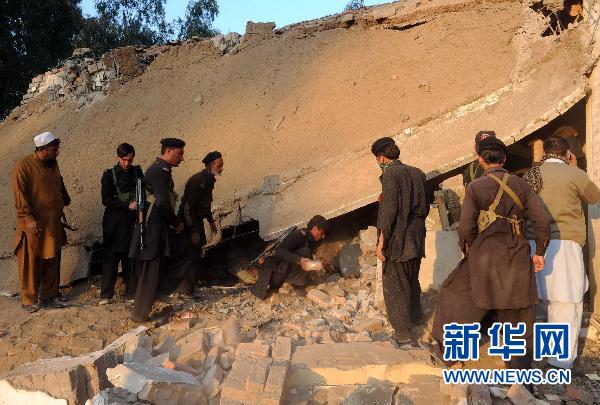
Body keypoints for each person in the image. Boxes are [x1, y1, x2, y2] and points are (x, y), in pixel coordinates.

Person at [430, 135, 550, 370]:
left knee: (457, 297)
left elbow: (465, 228)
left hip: (482, 255)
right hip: (516, 255)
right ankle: (521, 373)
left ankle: (447, 353)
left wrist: (470, 247)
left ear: (481, 161)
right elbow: (541, 221)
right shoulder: (522, 185)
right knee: (518, 315)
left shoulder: (475, 187)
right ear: (504, 159)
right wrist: (540, 252)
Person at [524, 135, 600, 369]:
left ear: (545, 152)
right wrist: (576, 168)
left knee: (544, 301)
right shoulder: (574, 174)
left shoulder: (530, 175)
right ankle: (559, 360)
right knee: (566, 303)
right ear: (567, 154)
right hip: (564, 244)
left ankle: (543, 352)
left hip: (535, 244)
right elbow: (595, 197)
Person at [371, 137, 429, 344]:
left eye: (378, 159)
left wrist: (381, 242)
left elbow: (389, 211)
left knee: (395, 286)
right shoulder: (418, 173)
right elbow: (425, 207)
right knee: (412, 278)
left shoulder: (390, 175)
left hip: (400, 237)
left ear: (381, 157)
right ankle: (416, 317)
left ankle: (403, 335)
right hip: (417, 235)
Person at [129, 138, 194, 322]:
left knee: (159, 266)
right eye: (179, 154)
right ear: (169, 150)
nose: (182, 158)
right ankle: (139, 314)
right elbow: (163, 202)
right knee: (150, 270)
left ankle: (155, 298)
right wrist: (176, 223)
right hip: (154, 228)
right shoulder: (161, 171)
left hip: (156, 226)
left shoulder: (160, 168)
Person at [11, 132, 69, 312]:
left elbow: (58, 184)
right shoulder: (23, 166)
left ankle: (48, 297)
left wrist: (63, 200)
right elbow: (20, 196)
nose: (57, 152)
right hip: (33, 225)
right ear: (42, 149)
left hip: (52, 223)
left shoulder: (53, 163)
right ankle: (29, 300)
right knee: (31, 263)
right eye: (54, 149)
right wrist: (28, 219)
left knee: (51, 261)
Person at [99, 143, 143, 305]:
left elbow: (142, 191)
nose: (127, 163)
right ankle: (105, 295)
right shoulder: (109, 176)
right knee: (111, 259)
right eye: (124, 160)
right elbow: (106, 200)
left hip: (131, 223)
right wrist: (127, 205)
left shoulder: (137, 172)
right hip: (113, 224)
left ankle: (131, 293)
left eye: (129, 160)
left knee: (130, 258)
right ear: (119, 158)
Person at [177, 151, 224, 294]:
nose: (222, 167)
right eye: (219, 164)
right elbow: (187, 208)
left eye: (222, 164)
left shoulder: (210, 180)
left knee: (197, 254)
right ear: (210, 165)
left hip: (197, 221)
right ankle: (185, 290)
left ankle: (191, 288)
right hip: (188, 222)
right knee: (190, 256)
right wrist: (193, 230)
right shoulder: (198, 180)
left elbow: (205, 204)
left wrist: (211, 221)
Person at [251, 215, 329, 299]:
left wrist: (318, 263)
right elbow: (279, 251)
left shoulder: (309, 240)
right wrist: (300, 259)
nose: (323, 236)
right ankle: (294, 285)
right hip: (274, 275)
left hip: (281, 272)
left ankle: (292, 283)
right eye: (322, 232)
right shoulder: (300, 235)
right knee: (305, 252)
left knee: (307, 255)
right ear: (315, 228)